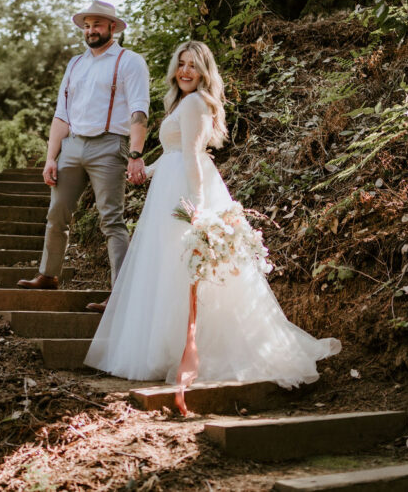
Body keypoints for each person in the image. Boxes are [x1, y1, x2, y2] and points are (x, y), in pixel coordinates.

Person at [84, 41, 341, 388]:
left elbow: (191, 156)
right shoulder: (185, 102)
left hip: (187, 192)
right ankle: (169, 348)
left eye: (194, 65)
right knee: (171, 270)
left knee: (184, 268)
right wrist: (148, 170)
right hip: (172, 186)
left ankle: (188, 351)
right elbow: (177, 153)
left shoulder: (193, 103)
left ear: (205, 72)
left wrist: (198, 209)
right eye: (181, 64)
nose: (186, 71)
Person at [17, 0, 150, 316]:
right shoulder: (75, 64)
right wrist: (52, 157)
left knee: (112, 219)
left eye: (98, 25)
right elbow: (61, 115)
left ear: (113, 27)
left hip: (110, 146)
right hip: (73, 146)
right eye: (87, 25)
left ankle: (119, 294)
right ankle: (48, 275)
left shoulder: (130, 62)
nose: (91, 30)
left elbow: (139, 111)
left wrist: (135, 154)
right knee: (56, 212)